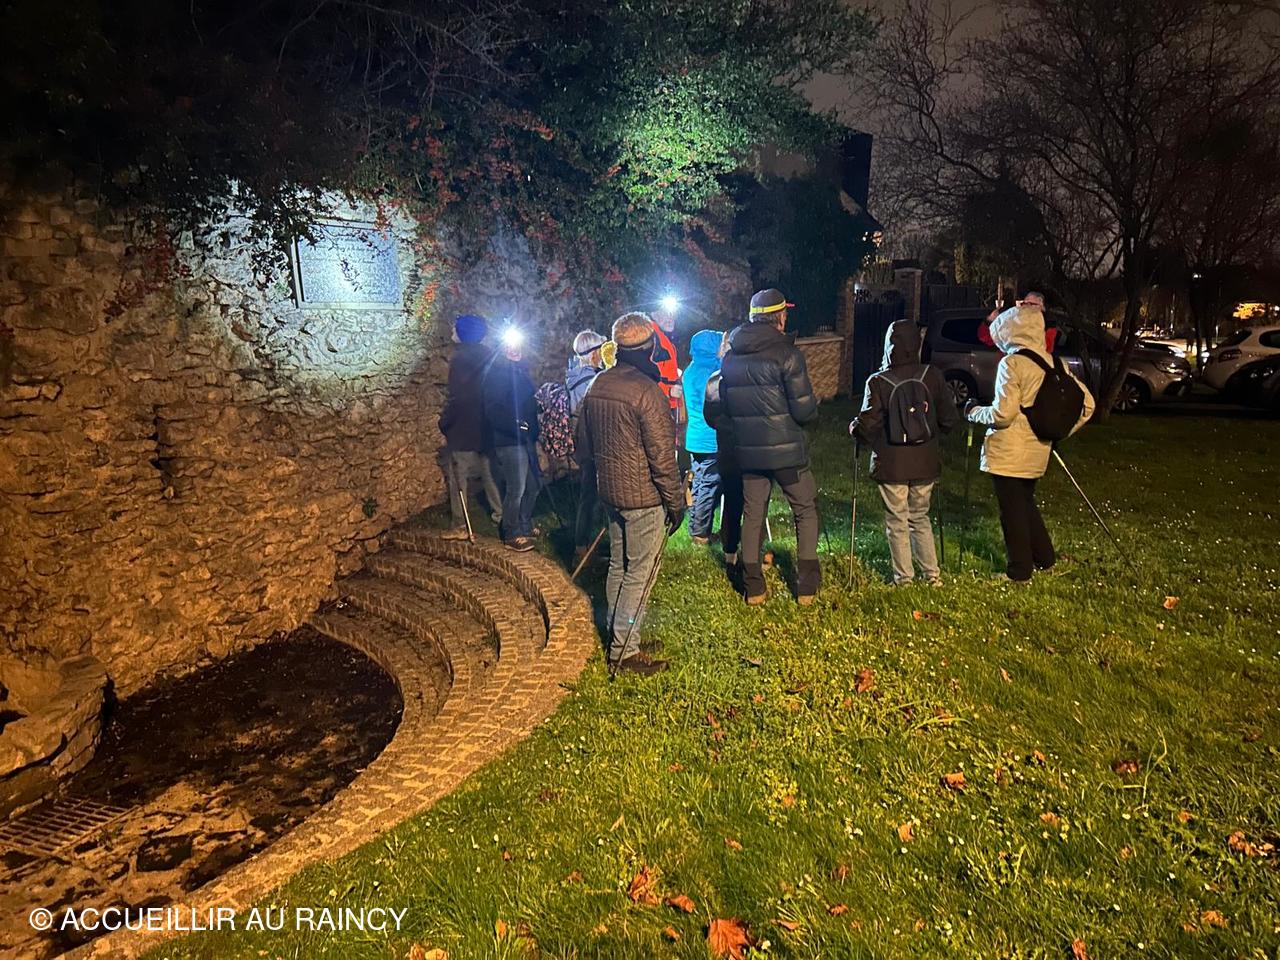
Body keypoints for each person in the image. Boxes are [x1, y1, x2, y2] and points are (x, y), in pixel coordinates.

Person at [576, 312, 685, 675]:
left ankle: (622, 635)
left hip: (610, 494)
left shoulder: (597, 384)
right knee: (639, 573)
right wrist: (676, 504)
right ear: (649, 347)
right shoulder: (647, 392)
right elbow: (662, 457)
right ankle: (623, 652)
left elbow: (583, 445)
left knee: (619, 566)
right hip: (643, 499)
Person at [965, 304, 1095, 582]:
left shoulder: (1012, 364)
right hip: (1039, 449)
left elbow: (1003, 414)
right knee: (1025, 503)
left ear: (1008, 331)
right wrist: (1058, 432)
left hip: (1009, 451)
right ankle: (1044, 557)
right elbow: (1088, 405)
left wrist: (974, 412)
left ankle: (1019, 571)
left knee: (1012, 512)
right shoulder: (1055, 363)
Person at [719, 288, 820, 605]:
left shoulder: (730, 358)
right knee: (804, 510)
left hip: (749, 454)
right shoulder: (788, 355)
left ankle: (754, 589)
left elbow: (726, 407)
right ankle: (806, 588)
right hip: (788, 453)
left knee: (752, 515)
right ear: (780, 317)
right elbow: (804, 411)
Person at [851, 319, 960, 585]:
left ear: (889, 345)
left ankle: (904, 579)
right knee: (920, 516)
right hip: (925, 461)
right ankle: (932, 575)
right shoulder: (932, 375)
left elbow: (868, 426)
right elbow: (949, 419)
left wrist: (855, 428)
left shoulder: (879, 381)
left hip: (892, 464)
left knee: (897, 520)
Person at [438, 314, 503, 540]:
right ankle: (500, 514)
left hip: (463, 427)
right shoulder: (490, 355)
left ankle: (460, 524)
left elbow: (458, 397)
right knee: (490, 473)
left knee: (459, 476)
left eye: (455, 329)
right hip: (487, 425)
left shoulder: (460, 360)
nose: (451, 332)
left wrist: (445, 422)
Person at [482, 330, 542, 552]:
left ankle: (524, 523)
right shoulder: (496, 374)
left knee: (534, 486)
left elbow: (526, 400)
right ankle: (511, 532)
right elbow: (494, 410)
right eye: (510, 346)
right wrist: (516, 425)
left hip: (525, 438)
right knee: (516, 488)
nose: (515, 350)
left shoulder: (520, 370)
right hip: (509, 440)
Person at [702, 330, 743, 567]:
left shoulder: (714, 380)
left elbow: (710, 416)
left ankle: (730, 552)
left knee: (732, 500)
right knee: (754, 501)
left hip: (726, 447)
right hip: (750, 444)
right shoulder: (750, 375)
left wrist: (724, 426)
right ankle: (749, 552)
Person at [681, 329, 724, 545]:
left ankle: (695, 527)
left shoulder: (690, 371)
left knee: (698, 481)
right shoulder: (714, 373)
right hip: (710, 438)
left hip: (695, 437)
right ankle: (700, 533)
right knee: (708, 485)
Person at [567, 330, 607, 557]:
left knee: (589, 493)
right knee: (592, 493)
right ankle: (583, 544)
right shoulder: (591, 381)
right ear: (593, 353)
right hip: (593, 443)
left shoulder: (575, 376)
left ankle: (585, 543)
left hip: (583, 443)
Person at [650, 307, 684, 421]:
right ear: (653, 315)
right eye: (664, 313)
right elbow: (645, 374)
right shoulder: (652, 338)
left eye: (671, 313)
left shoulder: (663, 338)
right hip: (658, 405)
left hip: (668, 403)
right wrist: (668, 391)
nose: (670, 318)